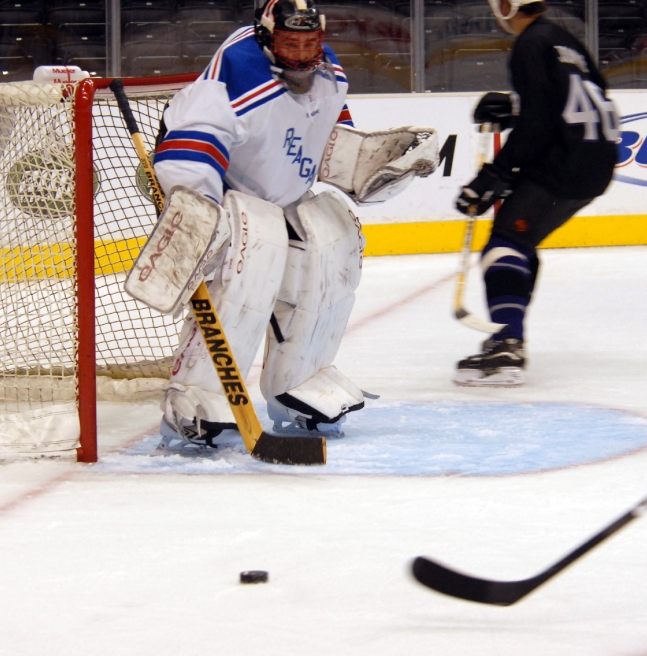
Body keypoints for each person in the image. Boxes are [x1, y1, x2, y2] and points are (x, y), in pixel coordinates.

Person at [150, 0, 437, 445]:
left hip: (282, 193)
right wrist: (201, 218)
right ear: (267, 38)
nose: (302, 55)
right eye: (290, 43)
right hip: (225, 194)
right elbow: (190, 146)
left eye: (310, 43)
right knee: (257, 248)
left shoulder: (329, 74)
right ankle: (197, 395)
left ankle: (299, 382)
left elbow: (327, 146)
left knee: (330, 234)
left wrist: (380, 169)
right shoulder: (239, 69)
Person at [453, 0, 619, 386]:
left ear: (506, 7)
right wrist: (515, 108)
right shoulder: (565, 40)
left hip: (564, 163)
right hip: (594, 162)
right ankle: (507, 331)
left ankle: (508, 343)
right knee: (520, 242)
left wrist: (493, 174)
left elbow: (540, 124)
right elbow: (588, 97)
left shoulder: (530, 43)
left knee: (505, 246)